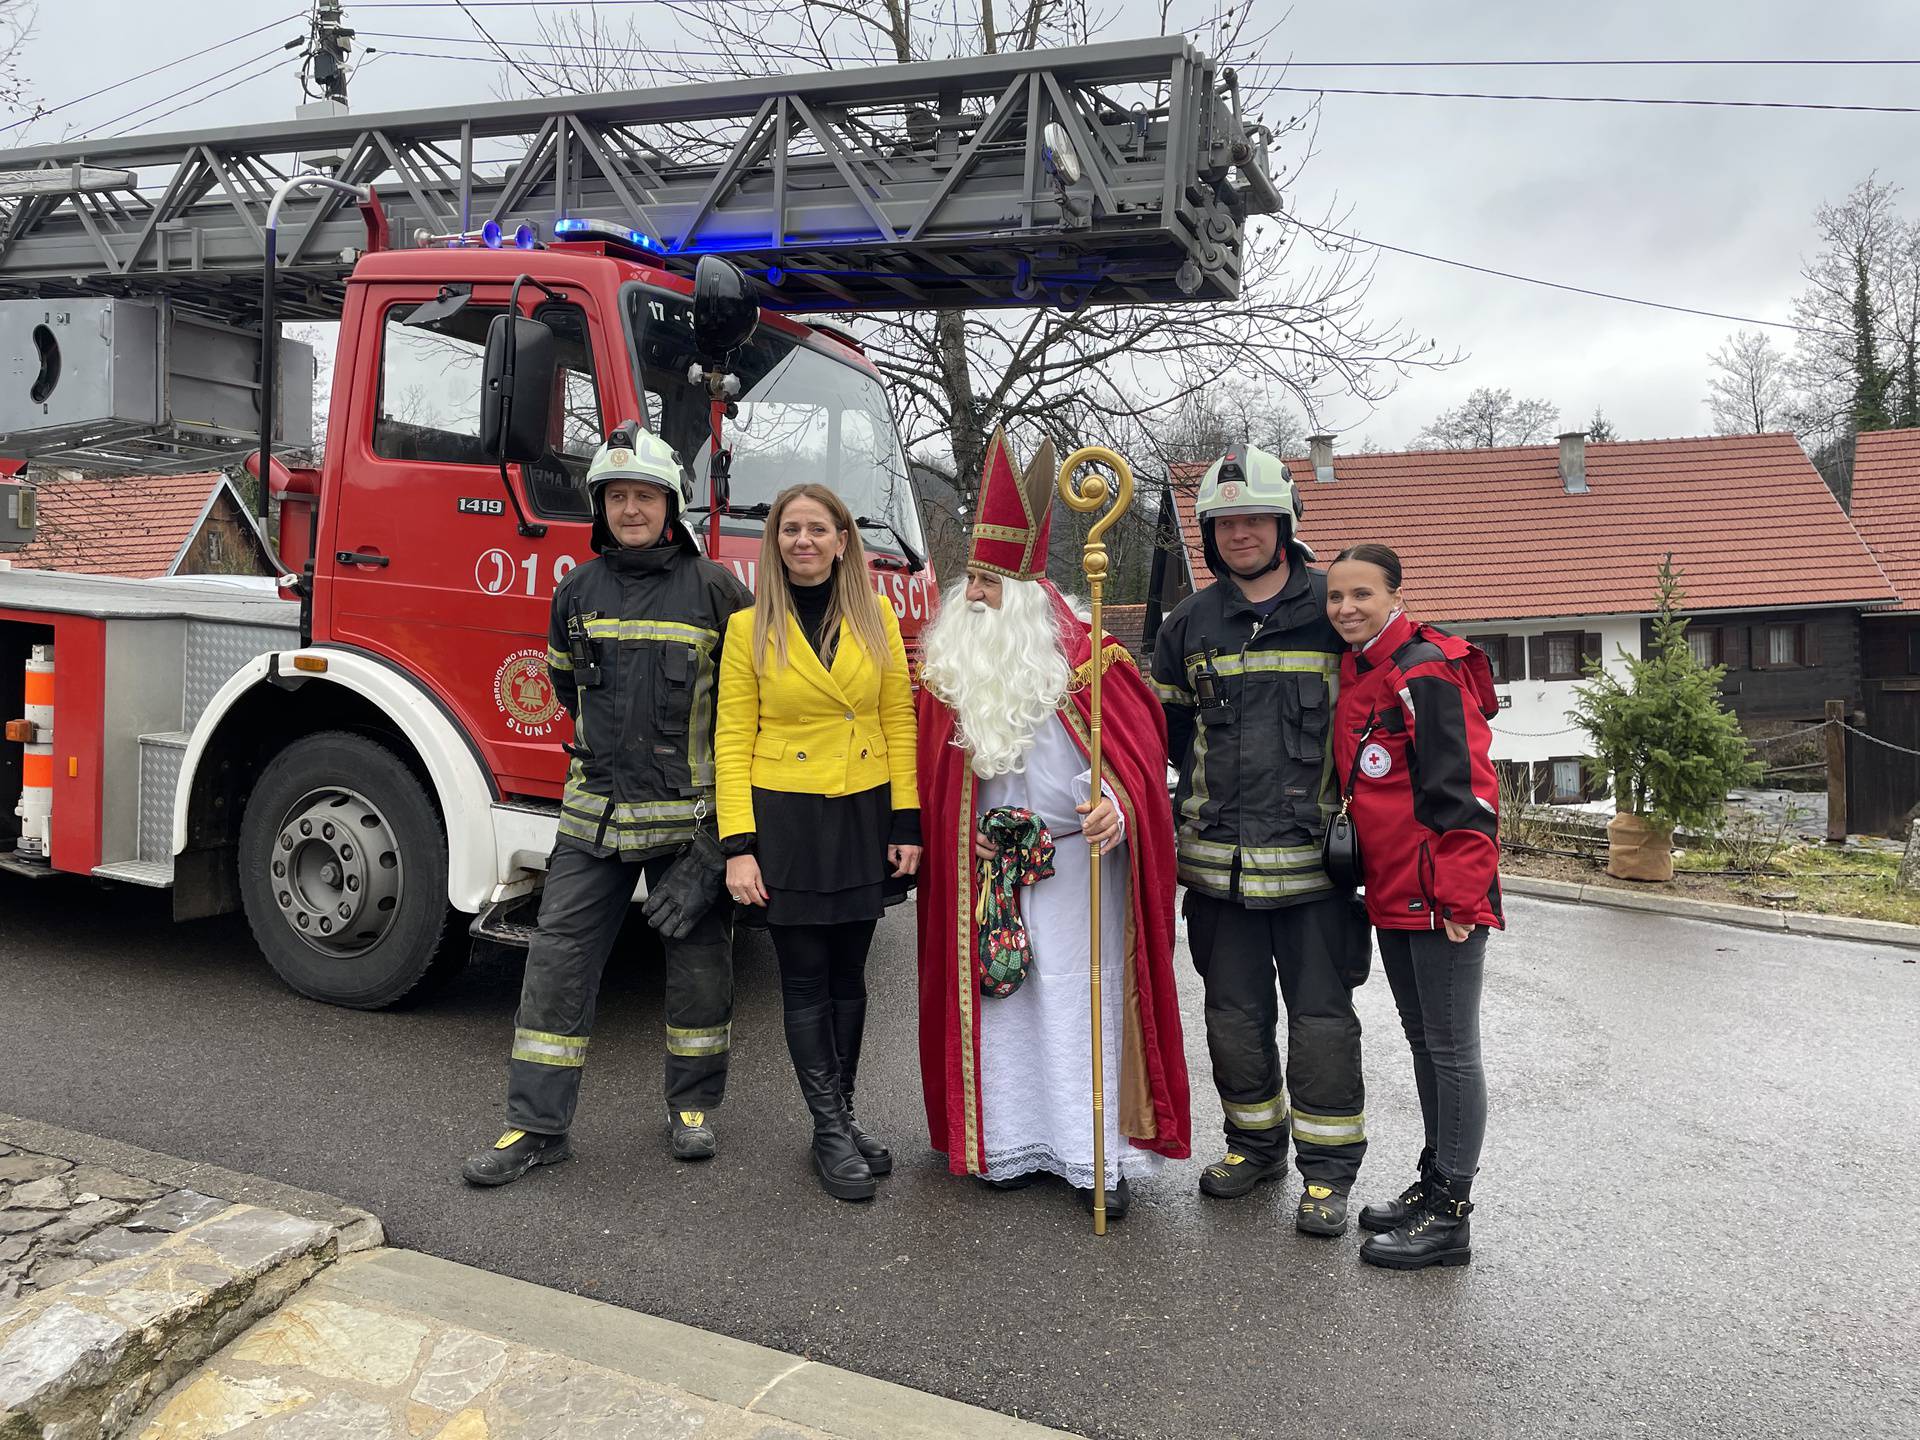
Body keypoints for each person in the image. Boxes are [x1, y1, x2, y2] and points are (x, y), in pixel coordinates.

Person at [463, 425, 751, 1186]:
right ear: (601, 506)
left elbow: (748, 721)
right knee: (556, 965)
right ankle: (535, 1126)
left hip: (688, 827)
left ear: (671, 505)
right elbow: (568, 690)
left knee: (698, 968)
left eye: (644, 496)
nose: (631, 509)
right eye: (617, 496)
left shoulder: (719, 592)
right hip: (591, 818)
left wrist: (717, 848)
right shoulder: (576, 592)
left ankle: (691, 1109)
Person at [917, 427, 1189, 1218]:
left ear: (1028, 596)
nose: (972, 596)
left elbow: (1143, 764)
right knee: (1001, 1003)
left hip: (1077, 873)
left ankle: (1091, 1154)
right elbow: (939, 779)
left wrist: (1121, 804)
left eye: (991, 585)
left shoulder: (1092, 663)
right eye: (971, 579)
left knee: (1076, 999)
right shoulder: (947, 675)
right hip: (987, 868)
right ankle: (1002, 1144)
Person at [1150, 443, 1372, 1236]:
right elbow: (1162, 741)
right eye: (1224, 523)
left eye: (1254, 519)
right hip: (1218, 874)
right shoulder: (1191, 623)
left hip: (1315, 871)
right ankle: (1254, 1145)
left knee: (1321, 1025)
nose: (1239, 533)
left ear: (1284, 524)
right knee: (1233, 1020)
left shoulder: (1334, 608)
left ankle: (1328, 1173)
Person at [714, 483, 921, 1203]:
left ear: (842, 541)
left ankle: (843, 1114)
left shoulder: (879, 618)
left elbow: (899, 717)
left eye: (817, 529)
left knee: (849, 976)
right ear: (774, 542)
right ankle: (829, 1129)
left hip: (864, 810)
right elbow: (733, 737)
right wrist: (738, 845)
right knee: (803, 978)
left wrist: (907, 822)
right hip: (786, 817)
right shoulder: (748, 629)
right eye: (789, 529)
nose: (802, 541)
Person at [1325, 543, 1502, 1270]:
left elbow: (1468, 783)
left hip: (1441, 894)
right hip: (1393, 891)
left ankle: (1451, 1217)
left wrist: (1462, 891)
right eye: (1335, 597)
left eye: (1361, 594)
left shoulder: (1425, 668)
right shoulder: (1366, 666)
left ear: (1396, 594)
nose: (1346, 609)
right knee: (1427, 1043)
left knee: (1453, 1052)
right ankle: (1433, 1184)